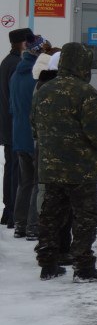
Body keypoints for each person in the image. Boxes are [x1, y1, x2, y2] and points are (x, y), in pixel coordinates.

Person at [31, 43, 97, 281]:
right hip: (81, 170)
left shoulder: (43, 90)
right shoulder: (85, 93)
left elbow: (34, 127)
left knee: (51, 215)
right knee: (85, 217)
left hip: (50, 167)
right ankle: (83, 266)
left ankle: (48, 264)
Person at [8, 34, 43, 239]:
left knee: (24, 182)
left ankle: (20, 224)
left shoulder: (15, 74)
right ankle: (33, 226)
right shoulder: (37, 76)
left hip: (19, 135)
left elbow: (13, 107)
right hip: (34, 136)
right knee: (38, 183)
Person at [2, 28, 34, 229]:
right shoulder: (17, 65)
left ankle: (9, 211)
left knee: (12, 168)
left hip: (9, 125)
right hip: (15, 125)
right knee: (17, 172)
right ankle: (13, 211)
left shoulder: (8, 62)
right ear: (22, 43)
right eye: (28, 42)